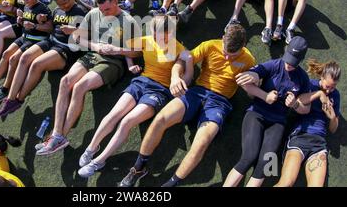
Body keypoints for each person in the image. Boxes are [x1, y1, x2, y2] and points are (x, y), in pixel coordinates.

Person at [119, 24, 256, 187]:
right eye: (225, 52)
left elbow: (252, 91)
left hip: (219, 103)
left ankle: (170, 184)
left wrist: (253, 79)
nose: (227, 57)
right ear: (223, 38)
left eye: (232, 55)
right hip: (196, 92)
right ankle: (138, 168)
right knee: (160, 119)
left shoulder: (248, 59)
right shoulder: (210, 45)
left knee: (202, 142)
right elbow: (183, 59)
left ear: (243, 46)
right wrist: (175, 76)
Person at [35, 0, 141, 156]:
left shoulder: (128, 21)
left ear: (116, 1)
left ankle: (61, 137)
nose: (104, 13)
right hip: (92, 54)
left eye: (108, 9)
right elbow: (78, 37)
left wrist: (116, 50)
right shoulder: (94, 14)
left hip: (113, 62)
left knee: (79, 87)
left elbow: (136, 52)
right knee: (65, 82)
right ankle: (55, 135)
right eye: (101, 9)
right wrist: (95, 45)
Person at [78, 16, 187, 178]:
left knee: (127, 121)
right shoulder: (146, 40)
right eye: (156, 36)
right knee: (113, 115)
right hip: (140, 82)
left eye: (164, 36)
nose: (160, 40)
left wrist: (177, 79)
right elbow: (128, 50)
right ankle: (91, 149)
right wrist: (130, 65)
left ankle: (99, 161)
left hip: (159, 91)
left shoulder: (180, 50)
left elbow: (181, 72)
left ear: (171, 32)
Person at [223, 36, 311, 187]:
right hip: (257, 113)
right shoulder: (274, 65)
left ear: (301, 59)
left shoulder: (303, 78)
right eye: (288, 59)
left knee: (267, 164)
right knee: (249, 156)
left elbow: (306, 109)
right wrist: (265, 96)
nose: (289, 64)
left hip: (278, 122)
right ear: (285, 50)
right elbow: (245, 81)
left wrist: (295, 105)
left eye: (293, 62)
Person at [0, 0, 86, 114]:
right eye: (59, 5)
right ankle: (10, 99)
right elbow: (51, 28)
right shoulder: (57, 10)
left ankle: (18, 100)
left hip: (66, 48)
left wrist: (74, 31)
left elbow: (90, 35)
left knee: (36, 65)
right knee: (23, 58)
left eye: (65, 4)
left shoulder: (81, 11)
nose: (63, 7)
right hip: (50, 40)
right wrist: (42, 21)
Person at [0, 0, 53, 108]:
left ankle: (4, 90)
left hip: (35, 40)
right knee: (5, 54)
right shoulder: (27, 6)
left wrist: (35, 26)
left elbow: (49, 28)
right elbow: (23, 20)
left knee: (13, 59)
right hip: (24, 37)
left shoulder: (43, 9)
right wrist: (20, 20)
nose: (25, 2)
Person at [275, 60, 341, 187]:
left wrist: (332, 118)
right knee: (286, 184)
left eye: (333, 87)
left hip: (319, 145)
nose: (329, 91)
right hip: (300, 137)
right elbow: (298, 101)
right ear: (321, 77)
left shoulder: (335, 95)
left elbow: (333, 129)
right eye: (328, 86)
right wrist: (319, 94)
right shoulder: (310, 84)